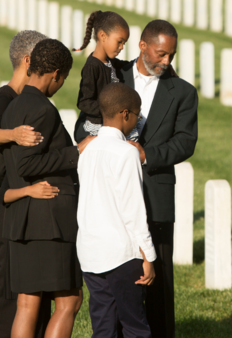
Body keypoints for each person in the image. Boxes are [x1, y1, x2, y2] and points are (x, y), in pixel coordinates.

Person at [77, 20, 199, 338]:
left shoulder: (183, 92)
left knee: (157, 283)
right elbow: (87, 120)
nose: (166, 62)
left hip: (155, 195)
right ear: (142, 46)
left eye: (171, 55)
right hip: (111, 199)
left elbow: (186, 142)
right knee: (115, 292)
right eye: (161, 53)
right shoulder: (111, 73)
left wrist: (147, 155)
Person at [0, 38, 86, 338]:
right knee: (69, 301)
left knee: (28, 303)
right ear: (56, 75)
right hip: (48, 221)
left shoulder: (13, 106)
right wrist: (76, 152)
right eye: (63, 79)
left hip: (24, 218)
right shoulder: (42, 109)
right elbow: (27, 165)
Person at [0, 30, 53, 338]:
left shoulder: (30, 101)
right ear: (27, 61)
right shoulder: (5, 97)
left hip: (29, 200)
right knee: (7, 286)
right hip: (7, 202)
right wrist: (15, 133)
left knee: (33, 288)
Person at [77, 82, 157, 338]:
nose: (137, 120)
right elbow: (133, 210)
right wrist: (149, 257)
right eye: (137, 115)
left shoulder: (87, 149)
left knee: (104, 327)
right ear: (125, 114)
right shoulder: (126, 153)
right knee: (135, 326)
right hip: (122, 254)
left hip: (90, 252)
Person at [73, 10, 177, 143]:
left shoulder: (111, 63)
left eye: (124, 43)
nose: (122, 47)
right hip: (101, 125)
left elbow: (132, 66)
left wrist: (167, 69)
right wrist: (110, 113)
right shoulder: (92, 66)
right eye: (119, 41)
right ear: (103, 36)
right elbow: (84, 101)